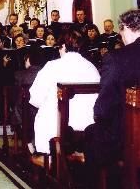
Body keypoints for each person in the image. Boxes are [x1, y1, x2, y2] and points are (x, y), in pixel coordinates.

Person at [85, 9, 140, 168]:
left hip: (128, 135)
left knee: (91, 133)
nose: (120, 37)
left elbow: (103, 109)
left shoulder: (116, 58)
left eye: (121, 31)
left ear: (127, 28)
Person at [29, 32, 100, 154]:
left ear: (63, 46)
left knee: (43, 115)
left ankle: (49, 160)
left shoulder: (52, 66)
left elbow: (35, 98)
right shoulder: (91, 67)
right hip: (89, 126)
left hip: (58, 128)